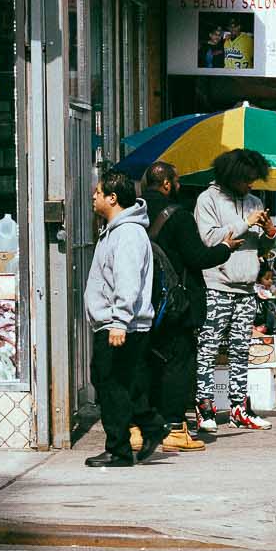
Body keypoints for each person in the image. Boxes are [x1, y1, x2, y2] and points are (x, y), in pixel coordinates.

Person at [142, 161, 229, 453]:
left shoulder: (135, 213)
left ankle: (149, 424)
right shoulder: (178, 216)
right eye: (176, 181)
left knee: (150, 362)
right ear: (167, 184)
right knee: (179, 364)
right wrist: (226, 247)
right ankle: (175, 426)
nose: (178, 186)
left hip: (142, 302)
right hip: (176, 304)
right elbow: (197, 257)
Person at [81, 170, 162, 468]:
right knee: (121, 384)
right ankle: (151, 425)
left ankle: (119, 449)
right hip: (120, 321)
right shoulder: (116, 229)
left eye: (98, 192)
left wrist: (119, 321)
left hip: (119, 323)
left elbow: (126, 280)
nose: (94, 196)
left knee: (108, 383)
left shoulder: (127, 233)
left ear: (112, 198)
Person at [193, 147, 273, 431]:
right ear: (232, 175)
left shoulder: (254, 201)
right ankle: (205, 406)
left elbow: (264, 246)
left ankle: (239, 406)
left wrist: (269, 233)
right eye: (247, 179)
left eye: (254, 179)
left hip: (247, 286)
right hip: (217, 283)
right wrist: (245, 223)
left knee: (242, 349)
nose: (251, 184)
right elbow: (209, 237)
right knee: (209, 347)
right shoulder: (207, 200)